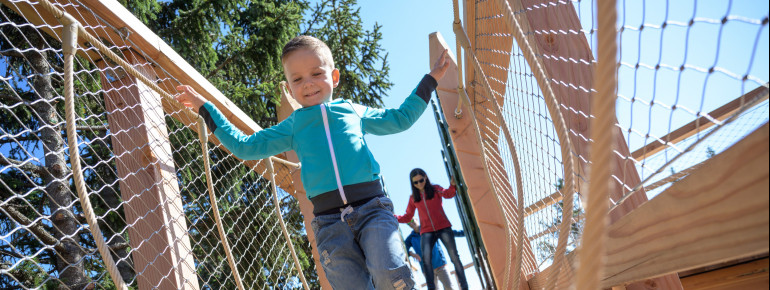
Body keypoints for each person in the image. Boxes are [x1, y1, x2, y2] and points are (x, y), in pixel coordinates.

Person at [175, 35, 450, 290]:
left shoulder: (352, 111)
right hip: (329, 223)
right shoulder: (294, 125)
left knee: (389, 272)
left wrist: (431, 79)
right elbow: (246, 147)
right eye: (297, 79)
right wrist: (204, 108)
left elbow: (401, 118)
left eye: (316, 74)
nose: (307, 83)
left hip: (372, 209)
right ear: (289, 87)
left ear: (334, 76)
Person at [395, 168, 469, 290]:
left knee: (455, 257)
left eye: (421, 180)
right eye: (415, 182)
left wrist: (452, 185)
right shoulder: (413, 198)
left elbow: (448, 194)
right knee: (426, 262)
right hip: (427, 231)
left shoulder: (435, 189)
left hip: (443, 227)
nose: (419, 184)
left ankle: (465, 287)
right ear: (412, 184)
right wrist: (394, 217)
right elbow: (408, 216)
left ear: (425, 177)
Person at [404, 219, 456, 290]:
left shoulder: (429, 228)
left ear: (416, 219)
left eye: (412, 221)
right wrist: (412, 253)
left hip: (440, 264)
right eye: (409, 223)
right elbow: (404, 249)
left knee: (450, 287)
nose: (411, 224)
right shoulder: (410, 238)